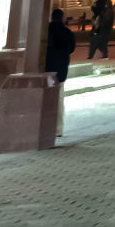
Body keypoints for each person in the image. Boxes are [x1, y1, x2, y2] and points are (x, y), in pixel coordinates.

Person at [46, 8, 76, 136]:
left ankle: (45, 127)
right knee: (58, 100)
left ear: (51, 17)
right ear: (62, 18)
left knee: (45, 99)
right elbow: (72, 49)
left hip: (45, 69)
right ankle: (57, 129)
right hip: (61, 70)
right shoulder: (67, 32)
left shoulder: (45, 31)